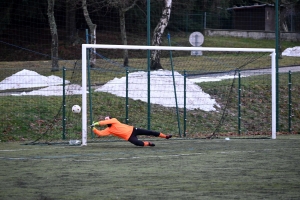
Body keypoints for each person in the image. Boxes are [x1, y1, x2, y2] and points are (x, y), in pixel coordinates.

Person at [90, 116, 172, 147]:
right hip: (129, 137)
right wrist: (94, 128)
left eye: (108, 119)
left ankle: (166, 136)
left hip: (133, 130)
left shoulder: (114, 120)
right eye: (106, 119)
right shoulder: (109, 130)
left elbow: (104, 122)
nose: (107, 120)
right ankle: (148, 143)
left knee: (150, 132)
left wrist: (97, 123)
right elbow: (100, 133)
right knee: (138, 143)